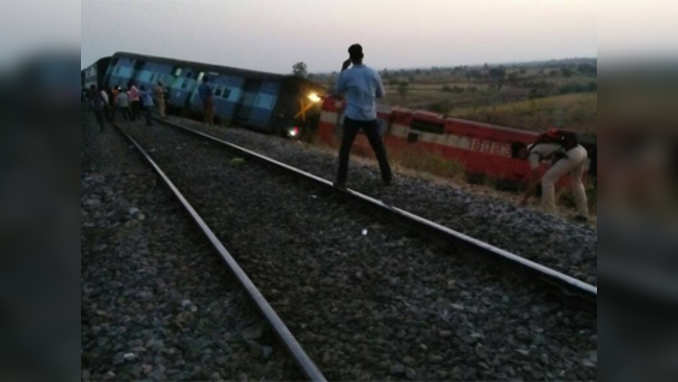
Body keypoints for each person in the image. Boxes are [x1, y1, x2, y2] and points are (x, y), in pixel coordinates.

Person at [333, 43, 392, 188]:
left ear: (350, 58)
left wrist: (343, 69)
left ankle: (341, 180)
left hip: (352, 117)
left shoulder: (347, 74)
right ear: (363, 55)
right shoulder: (373, 73)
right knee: (379, 148)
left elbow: (338, 91)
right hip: (370, 117)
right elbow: (381, 94)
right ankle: (387, 178)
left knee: (345, 149)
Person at [520, 128, 589, 219]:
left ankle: (549, 213)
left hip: (572, 154)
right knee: (577, 182)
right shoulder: (541, 145)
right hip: (582, 150)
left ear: (522, 150)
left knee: (547, 180)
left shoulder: (533, 153)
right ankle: (583, 214)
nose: (521, 157)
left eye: (519, 155)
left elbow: (536, 178)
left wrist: (525, 199)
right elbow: (556, 159)